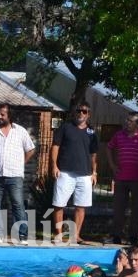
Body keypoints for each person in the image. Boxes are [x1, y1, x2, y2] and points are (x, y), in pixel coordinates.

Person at [0, 103, 36, 245]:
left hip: (14, 175)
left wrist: (21, 163)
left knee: (17, 205)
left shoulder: (20, 131)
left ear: (10, 116)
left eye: (3, 114)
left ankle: (22, 235)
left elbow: (31, 149)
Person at [51, 101, 99, 244]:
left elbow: (94, 154)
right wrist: (54, 166)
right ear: (75, 112)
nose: (81, 114)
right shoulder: (66, 127)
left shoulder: (92, 132)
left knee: (81, 206)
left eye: (84, 111)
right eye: (79, 111)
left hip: (85, 174)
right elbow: (55, 146)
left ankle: (76, 236)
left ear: (88, 115)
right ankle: (59, 234)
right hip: (65, 172)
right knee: (59, 204)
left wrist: (94, 172)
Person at [106, 111, 138, 245]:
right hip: (121, 177)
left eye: (131, 121)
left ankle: (133, 237)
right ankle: (116, 235)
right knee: (119, 208)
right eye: (127, 120)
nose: (127, 123)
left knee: (137, 209)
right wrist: (112, 165)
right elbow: (109, 148)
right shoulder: (119, 135)